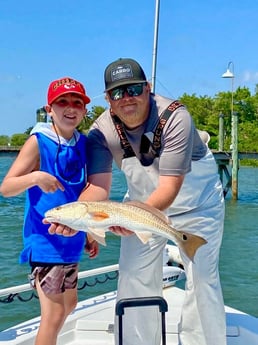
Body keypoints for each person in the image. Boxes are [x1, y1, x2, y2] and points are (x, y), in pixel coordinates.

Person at [48, 58, 226, 345]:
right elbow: (97, 189)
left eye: (133, 89)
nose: (126, 98)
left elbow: (169, 187)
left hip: (198, 207)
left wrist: (130, 218)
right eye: (117, 93)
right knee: (132, 277)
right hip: (138, 206)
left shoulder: (175, 117)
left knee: (203, 281)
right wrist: (78, 221)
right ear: (107, 99)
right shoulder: (100, 133)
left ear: (148, 88)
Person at [0, 77, 99, 345]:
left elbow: (83, 194)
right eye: (62, 102)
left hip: (73, 241)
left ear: (84, 110)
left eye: (77, 102)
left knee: (70, 304)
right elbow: (7, 187)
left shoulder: (82, 144)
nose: (70, 107)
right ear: (49, 108)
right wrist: (35, 178)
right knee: (53, 314)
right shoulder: (38, 141)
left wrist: (89, 233)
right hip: (45, 243)